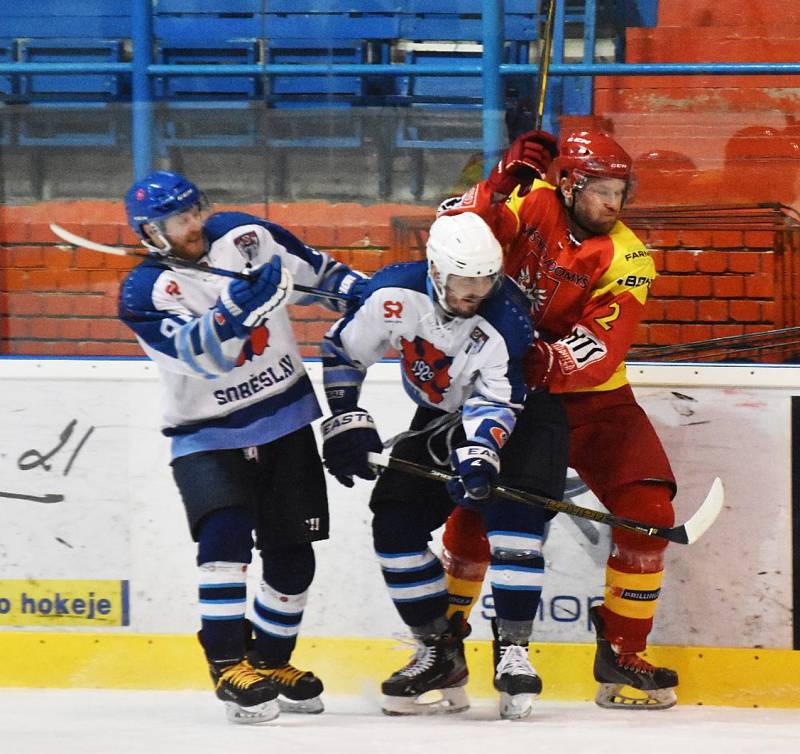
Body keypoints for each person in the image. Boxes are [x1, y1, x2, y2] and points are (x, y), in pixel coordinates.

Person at [439, 129, 681, 710]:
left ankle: (622, 652)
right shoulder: (533, 201)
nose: (614, 204)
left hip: (595, 398)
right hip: (510, 395)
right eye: (601, 190)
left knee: (649, 512)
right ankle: (441, 644)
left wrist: (529, 353)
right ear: (569, 183)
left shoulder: (629, 257)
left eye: (621, 191)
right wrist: (496, 188)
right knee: (475, 519)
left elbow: (600, 347)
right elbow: (456, 236)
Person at [117, 171, 366, 724]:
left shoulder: (244, 236)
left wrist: (365, 296)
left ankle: (271, 660)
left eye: (193, 212)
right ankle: (228, 663)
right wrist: (240, 308)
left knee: (293, 556)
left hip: (285, 422)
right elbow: (197, 355)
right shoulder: (145, 291)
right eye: (176, 221)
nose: (192, 226)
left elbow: (319, 273)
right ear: (150, 234)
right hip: (207, 437)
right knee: (225, 538)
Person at [318, 212, 568, 720]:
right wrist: (346, 416)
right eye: (462, 281)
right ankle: (440, 653)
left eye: (483, 281)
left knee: (512, 524)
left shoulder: (507, 319)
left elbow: (496, 403)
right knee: (393, 521)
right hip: (438, 414)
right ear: (435, 270)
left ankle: (514, 652)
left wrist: (478, 459)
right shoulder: (391, 295)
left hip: (524, 415)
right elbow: (343, 351)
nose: (473, 293)